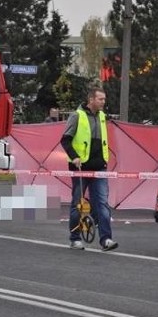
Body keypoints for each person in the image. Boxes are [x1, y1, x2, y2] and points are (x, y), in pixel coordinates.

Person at [60, 86, 118, 251]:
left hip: (99, 167)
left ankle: (106, 239)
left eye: (104, 99)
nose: (103, 102)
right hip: (80, 168)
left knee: (102, 203)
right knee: (78, 203)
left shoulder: (102, 117)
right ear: (91, 99)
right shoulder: (77, 116)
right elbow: (65, 140)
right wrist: (74, 156)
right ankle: (75, 238)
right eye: (100, 99)